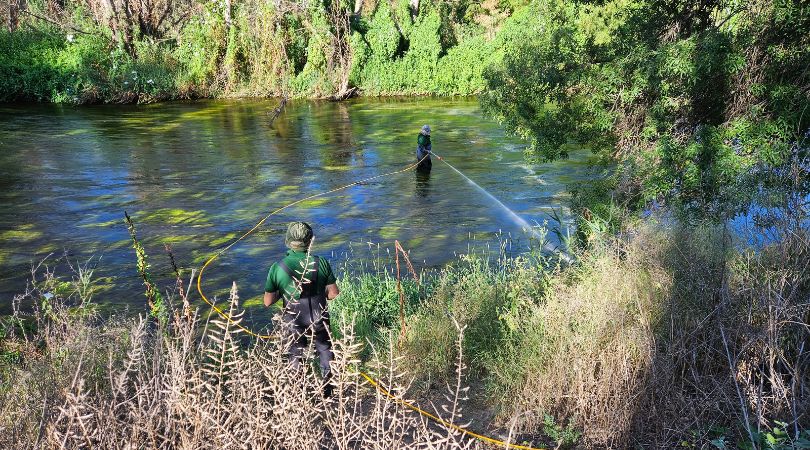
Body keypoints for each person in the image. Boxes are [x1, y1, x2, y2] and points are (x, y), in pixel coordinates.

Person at [264, 221, 340, 395]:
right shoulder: (321, 262)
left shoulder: (277, 267)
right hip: (319, 315)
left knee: (295, 352)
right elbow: (334, 293)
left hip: (293, 318)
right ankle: (328, 389)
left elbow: (267, 301)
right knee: (324, 348)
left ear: (288, 240)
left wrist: (283, 293)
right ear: (310, 240)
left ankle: (298, 392)